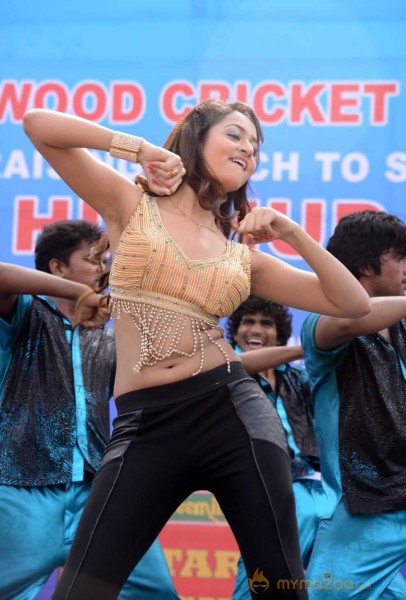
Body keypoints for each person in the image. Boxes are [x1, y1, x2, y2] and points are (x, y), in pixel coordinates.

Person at [23, 98, 370, 600]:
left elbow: (352, 302)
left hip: (234, 414)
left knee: (278, 588)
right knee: (81, 592)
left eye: (255, 145)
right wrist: (139, 149)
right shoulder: (130, 204)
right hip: (144, 427)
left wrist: (291, 233)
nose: (248, 149)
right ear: (195, 136)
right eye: (235, 135)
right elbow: (39, 126)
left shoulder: (241, 255)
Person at [0, 220, 179, 600]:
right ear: (57, 268)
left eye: (106, 261)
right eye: (93, 260)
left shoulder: (113, 336)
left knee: (157, 591)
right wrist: (80, 295)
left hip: (99, 488)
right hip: (22, 487)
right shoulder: (25, 315)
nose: (104, 269)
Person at [301, 210, 406, 599]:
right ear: (365, 265)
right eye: (400, 258)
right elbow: (347, 322)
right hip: (367, 501)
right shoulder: (323, 324)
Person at [227, 296, 334, 600]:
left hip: (319, 489)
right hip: (266, 490)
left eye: (266, 323)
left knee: (348, 576)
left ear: (279, 333)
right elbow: (237, 366)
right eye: (248, 322)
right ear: (235, 332)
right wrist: (311, 346)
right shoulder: (224, 371)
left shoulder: (299, 377)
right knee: (264, 574)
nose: (255, 329)